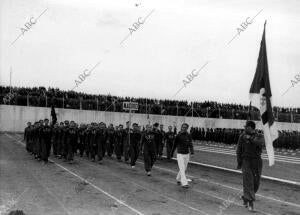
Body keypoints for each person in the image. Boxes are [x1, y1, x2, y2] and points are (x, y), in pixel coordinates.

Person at [236, 120, 264, 212]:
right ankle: (250, 203)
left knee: (256, 183)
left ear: (251, 127)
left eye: (246, 127)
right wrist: (239, 162)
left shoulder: (259, 136)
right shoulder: (242, 136)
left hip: (257, 162)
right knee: (249, 182)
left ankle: (246, 197)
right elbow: (238, 150)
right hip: (246, 161)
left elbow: (260, 143)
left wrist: (250, 138)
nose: (244, 128)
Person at [172, 123, 194, 188]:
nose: (184, 128)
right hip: (180, 154)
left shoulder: (189, 135)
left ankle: (178, 178)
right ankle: (184, 183)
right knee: (182, 168)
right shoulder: (178, 135)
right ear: (181, 127)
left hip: (187, 154)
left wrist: (192, 152)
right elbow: (174, 145)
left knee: (184, 168)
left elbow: (190, 144)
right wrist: (171, 153)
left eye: (185, 127)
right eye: (183, 127)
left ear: (187, 128)